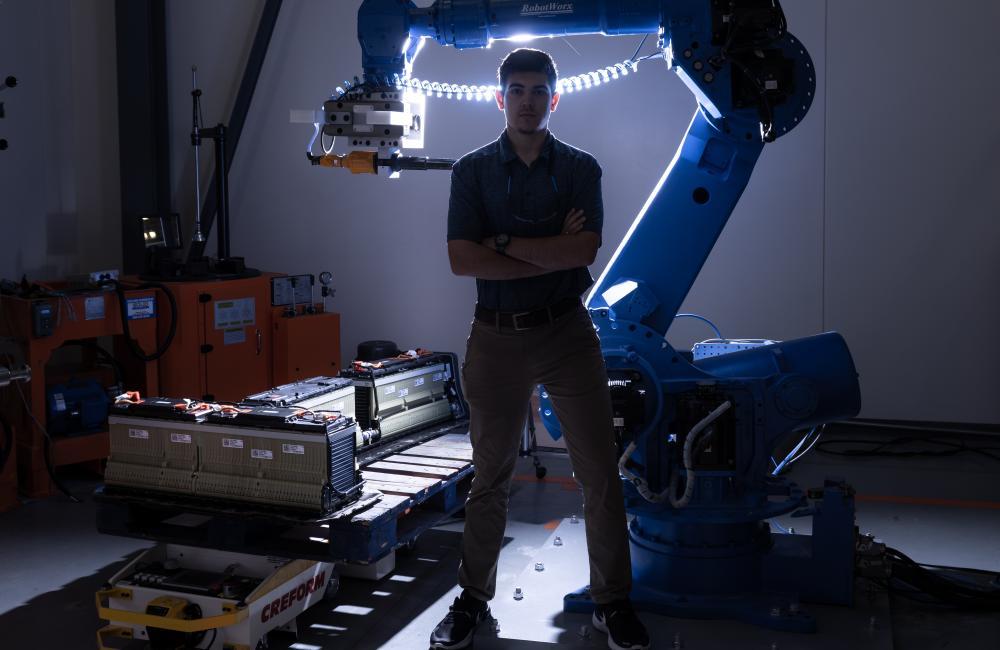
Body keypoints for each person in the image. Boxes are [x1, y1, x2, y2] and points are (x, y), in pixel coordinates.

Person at [430, 48, 650, 650]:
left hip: (566, 334)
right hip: (496, 338)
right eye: (518, 90)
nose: (528, 100)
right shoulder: (472, 172)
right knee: (490, 477)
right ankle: (472, 601)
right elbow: (460, 259)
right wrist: (545, 242)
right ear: (501, 99)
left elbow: (582, 253)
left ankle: (613, 602)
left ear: (555, 98)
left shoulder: (581, 168)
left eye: (539, 90)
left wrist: (500, 241)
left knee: (600, 474)